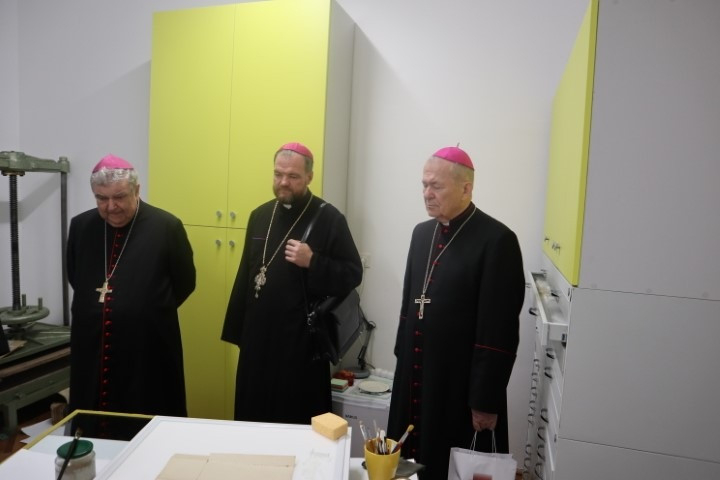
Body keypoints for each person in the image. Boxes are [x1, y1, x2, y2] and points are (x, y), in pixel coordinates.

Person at [387, 146, 525, 479]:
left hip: (458, 386)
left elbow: (499, 332)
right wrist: (403, 364)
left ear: (466, 188)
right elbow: (409, 305)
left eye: (436, 186)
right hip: (416, 377)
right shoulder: (422, 234)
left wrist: (485, 400)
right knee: (407, 465)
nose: (427, 194)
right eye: (424, 185)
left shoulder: (497, 240)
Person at [222, 142, 362, 424]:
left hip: (300, 347)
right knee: (253, 418)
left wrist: (314, 261)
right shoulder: (260, 215)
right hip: (258, 342)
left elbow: (352, 273)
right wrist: (239, 333)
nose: (283, 182)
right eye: (278, 174)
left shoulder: (329, 218)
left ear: (309, 177)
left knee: (294, 420)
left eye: (293, 176)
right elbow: (246, 275)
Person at [67, 154, 196, 432]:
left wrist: (144, 309)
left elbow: (185, 283)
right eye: (101, 198)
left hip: (146, 349)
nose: (110, 207)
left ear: (137, 190)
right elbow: (76, 276)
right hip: (91, 346)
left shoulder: (166, 227)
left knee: (145, 420)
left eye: (119, 197)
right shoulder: (81, 226)